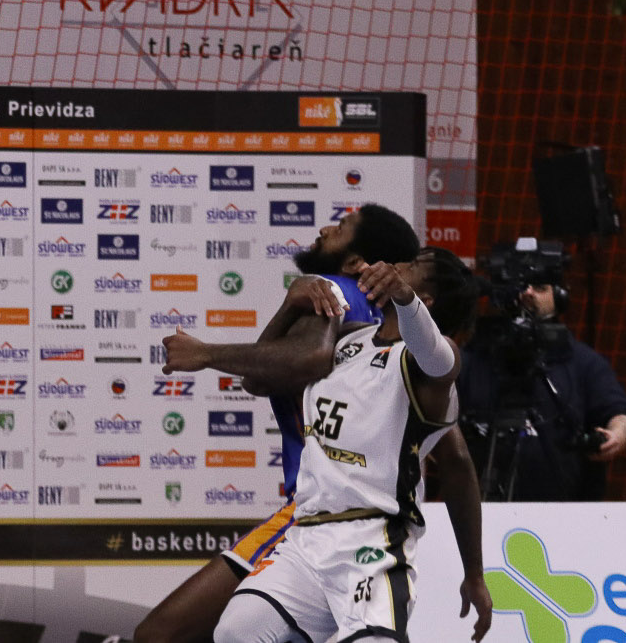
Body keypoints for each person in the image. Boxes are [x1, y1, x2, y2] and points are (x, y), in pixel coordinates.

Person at [148, 207, 491, 643]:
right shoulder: (351, 338)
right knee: (236, 631)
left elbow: (436, 360)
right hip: (309, 534)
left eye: (412, 266)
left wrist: (207, 353)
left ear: (427, 298)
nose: (398, 267)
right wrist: (291, 302)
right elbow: (263, 375)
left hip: (374, 538)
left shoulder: (433, 365)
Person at [455, 274, 626, 501]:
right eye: (520, 286)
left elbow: (620, 414)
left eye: (540, 287)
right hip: (479, 508)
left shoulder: (584, 362)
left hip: (566, 509)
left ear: (559, 296)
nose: (528, 293)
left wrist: (617, 435)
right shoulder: (470, 360)